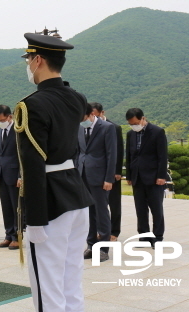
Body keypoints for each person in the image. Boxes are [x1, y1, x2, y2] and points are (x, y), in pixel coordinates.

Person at [15, 33, 93, 312]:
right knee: (71, 281)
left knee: (47, 287)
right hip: (76, 196)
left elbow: (34, 165)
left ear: (38, 60)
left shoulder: (31, 105)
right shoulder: (77, 98)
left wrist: (34, 220)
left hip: (50, 204)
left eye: (28, 59)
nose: (27, 65)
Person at [78, 103, 117, 262]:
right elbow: (78, 152)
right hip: (83, 175)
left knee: (101, 212)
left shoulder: (107, 128)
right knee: (89, 213)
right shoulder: (79, 128)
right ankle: (91, 245)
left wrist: (109, 179)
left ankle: (104, 249)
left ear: (91, 115)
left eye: (83, 118)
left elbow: (111, 154)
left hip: (100, 177)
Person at [125, 108, 168, 248]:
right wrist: (129, 176)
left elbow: (162, 156)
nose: (134, 126)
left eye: (136, 123)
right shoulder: (130, 134)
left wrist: (162, 175)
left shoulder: (157, 132)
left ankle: (157, 237)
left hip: (154, 177)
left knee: (156, 208)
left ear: (143, 119)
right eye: (131, 124)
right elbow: (130, 156)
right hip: (137, 177)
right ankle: (143, 236)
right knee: (140, 209)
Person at [90, 102, 124, 241]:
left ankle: (114, 231)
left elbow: (118, 151)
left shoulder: (113, 127)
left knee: (114, 203)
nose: (92, 116)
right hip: (96, 173)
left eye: (94, 114)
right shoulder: (88, 127)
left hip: (111, 173)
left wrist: (116, 171)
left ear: (101, 113)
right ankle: (100, 230)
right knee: (98, 205)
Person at [0, 105, 20, 251]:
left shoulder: (18, 131)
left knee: (16, 207)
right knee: (6, 207)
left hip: (14, 175)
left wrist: (21, 175)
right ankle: (8, 235)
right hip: (1, 174)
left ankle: (17, 236)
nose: (0, 122)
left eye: (2, 120)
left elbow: (22, 156)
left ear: (10, 117)